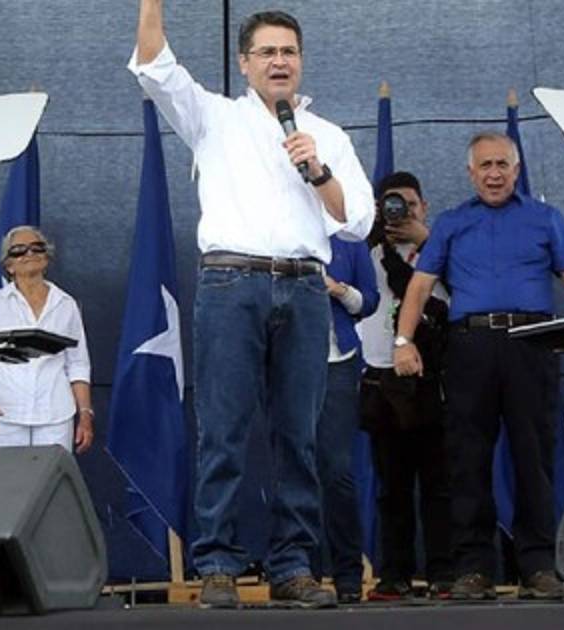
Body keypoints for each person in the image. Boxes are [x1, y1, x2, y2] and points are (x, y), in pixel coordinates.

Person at [130, 1, 374, 609]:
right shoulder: (213, 116)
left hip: (305, 286)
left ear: (301, 61)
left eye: (288, 51)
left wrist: (317, 169)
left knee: (300, 436)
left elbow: (357, 220)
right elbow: (155, 65)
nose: (278, 61)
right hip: (230, 283)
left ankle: (293, 566)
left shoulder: (329, 136)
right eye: (266, 52)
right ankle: (217, 563)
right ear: (244, 63)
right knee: (224, 429)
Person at [394, 133, 564, 600]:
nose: (494, 173)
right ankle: (473, 568)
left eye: (502, 164)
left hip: (532, 344)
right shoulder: (452, 222)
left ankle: (538, 565)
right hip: (471, 347)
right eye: (485, 165)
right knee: (467, 459)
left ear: (517, 170)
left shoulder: (546, 218)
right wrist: (403, 341)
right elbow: (420, 287)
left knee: (534, 458)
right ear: (471, 173)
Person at [357, 171, 453, 600]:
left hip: (434, 377)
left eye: (410, 206)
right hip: (382, 377)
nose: (402, 214)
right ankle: (394, 573)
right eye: (392, 207)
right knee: (391, 486)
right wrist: (373, 233)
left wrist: (427, 241)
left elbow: (464, 288)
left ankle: (444, 572)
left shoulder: (443, 250)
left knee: (439, 483)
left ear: (424, 207)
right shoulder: (368, 252)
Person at [0, 226, 94, 452]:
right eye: (19, 250)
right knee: (7, 475)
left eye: (36, 247)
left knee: (53, 474)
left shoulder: (66, 304)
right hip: (4, 414)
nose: (29, 253)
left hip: (55, 414)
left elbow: (78, 364)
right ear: (9, 266)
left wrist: (85, 414)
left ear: (46, 257)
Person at [314, 234, 378, 604]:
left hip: (336, 360)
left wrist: (336, 289)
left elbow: (368, 301)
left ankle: (348, 574)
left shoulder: (348, 241)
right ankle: (297, 570)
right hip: (286, 361)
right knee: (292, 467)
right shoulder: (277, 232)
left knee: (337, 469)